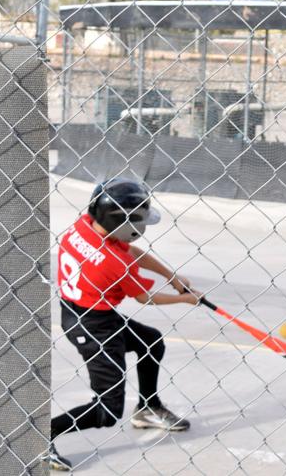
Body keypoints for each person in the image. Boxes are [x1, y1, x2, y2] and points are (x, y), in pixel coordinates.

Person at [45, 178, 201, 472]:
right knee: (107, 409)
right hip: (93, 327)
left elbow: (129, 252)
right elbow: (146, 297)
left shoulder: (85, 226)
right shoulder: (114, 263)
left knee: (150, 341)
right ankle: (44, 435)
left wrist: (172, 276)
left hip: (85, 310)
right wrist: (185, 300)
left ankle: (147, 407)